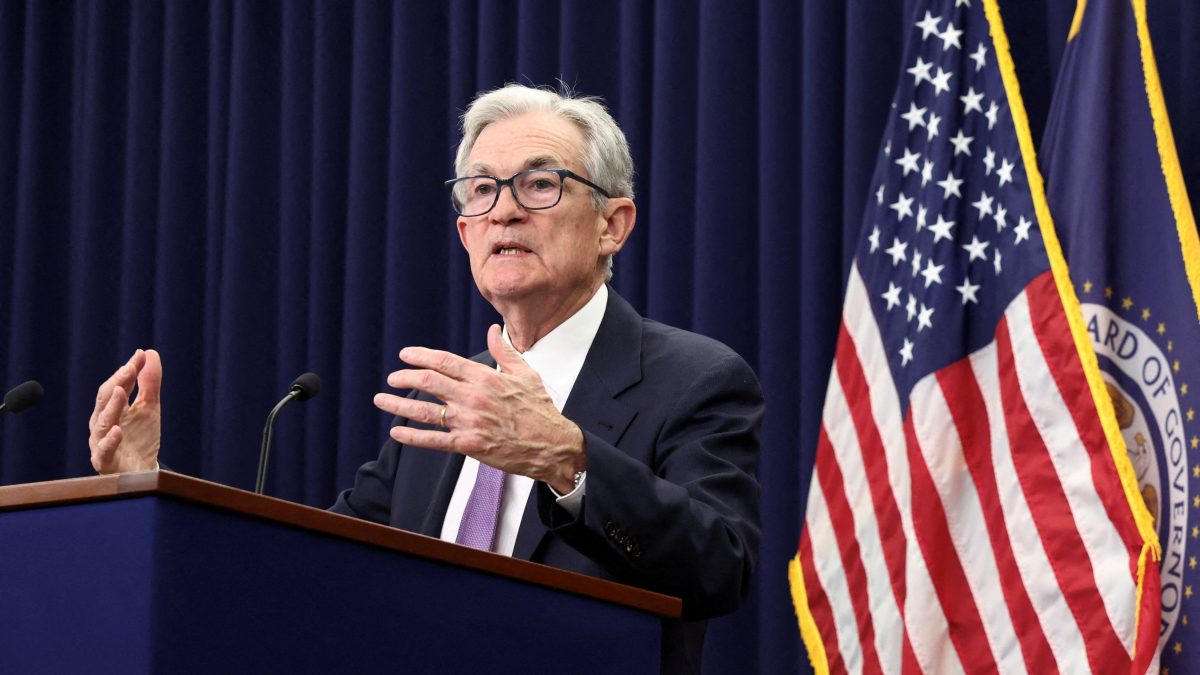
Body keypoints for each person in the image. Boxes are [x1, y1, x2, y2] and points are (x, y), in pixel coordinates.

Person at [87, 84, 763, 674]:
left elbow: (720, 566)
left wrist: (567, 458)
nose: (504, 210)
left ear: (612, 225)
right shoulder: (443, 411)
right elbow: (302, 570)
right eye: (482, 189)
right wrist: (148, 482)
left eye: (540, 183)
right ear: (465, 229)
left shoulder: (695, 379)